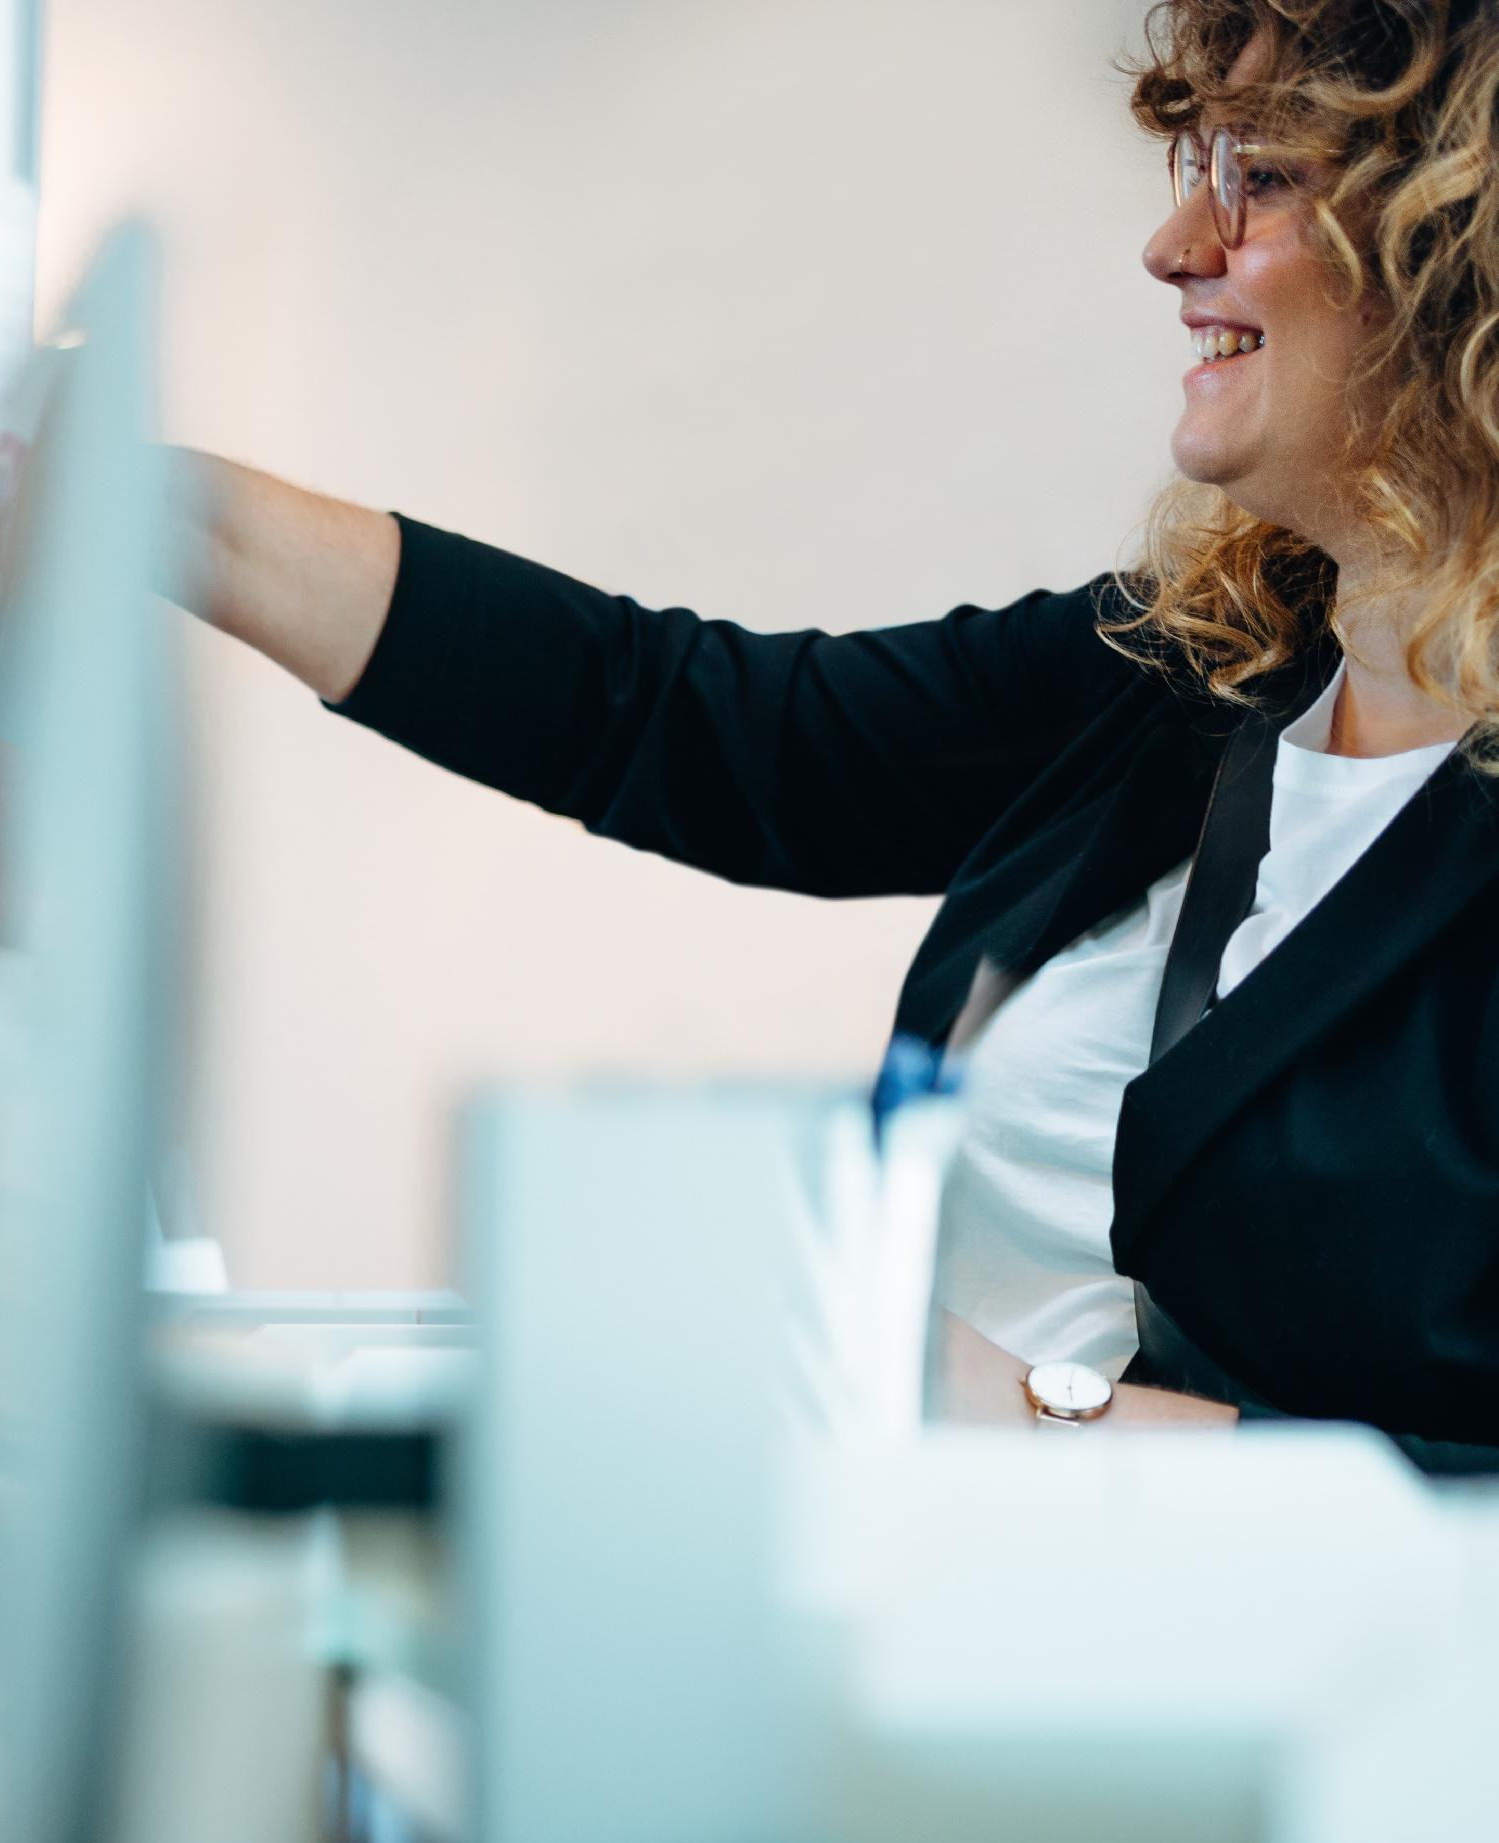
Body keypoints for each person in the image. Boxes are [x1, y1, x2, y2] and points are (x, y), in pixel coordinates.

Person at [175, 0, 1499, 1457]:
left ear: (1447, 237)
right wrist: (179, 519)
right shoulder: (1187, 677)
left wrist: (1048, 1419)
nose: (1173, 248)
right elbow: (681, 720)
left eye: (1254, 176)